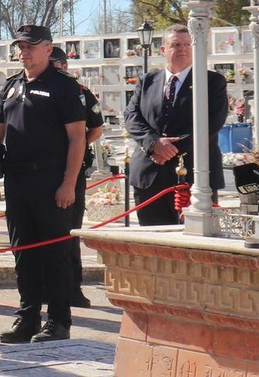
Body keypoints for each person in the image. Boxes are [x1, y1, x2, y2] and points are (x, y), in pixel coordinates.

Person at [0, 24, 85, 343]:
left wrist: (69, 183)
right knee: (22, 251)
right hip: (17, 180)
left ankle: (58, 320)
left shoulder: (63, 86)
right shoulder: (11, 86)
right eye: (20, 46)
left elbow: (77, 137)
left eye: (31, 45)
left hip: (51, 180)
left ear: (47, 49)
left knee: (55, 252)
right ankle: (27, 317)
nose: (24, 51)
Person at [124, 24, 228, 226]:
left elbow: (212, 122)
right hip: (149, 175)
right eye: (176, 44)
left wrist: (169, 149)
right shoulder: (147, 81)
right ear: (163, 50)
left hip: (194, 175)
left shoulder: (211, 82)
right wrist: (154, 144)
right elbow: (131, 115)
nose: (182, 49)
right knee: (151, 246)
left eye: (187, 44)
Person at [50, 45, 103, 307]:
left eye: (59, 63)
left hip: (72, 170)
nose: (56, 68)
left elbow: (97, 128)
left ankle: (73, 287)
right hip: (43, 170)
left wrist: (78, 145)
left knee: (70, 231)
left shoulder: (80, 92)